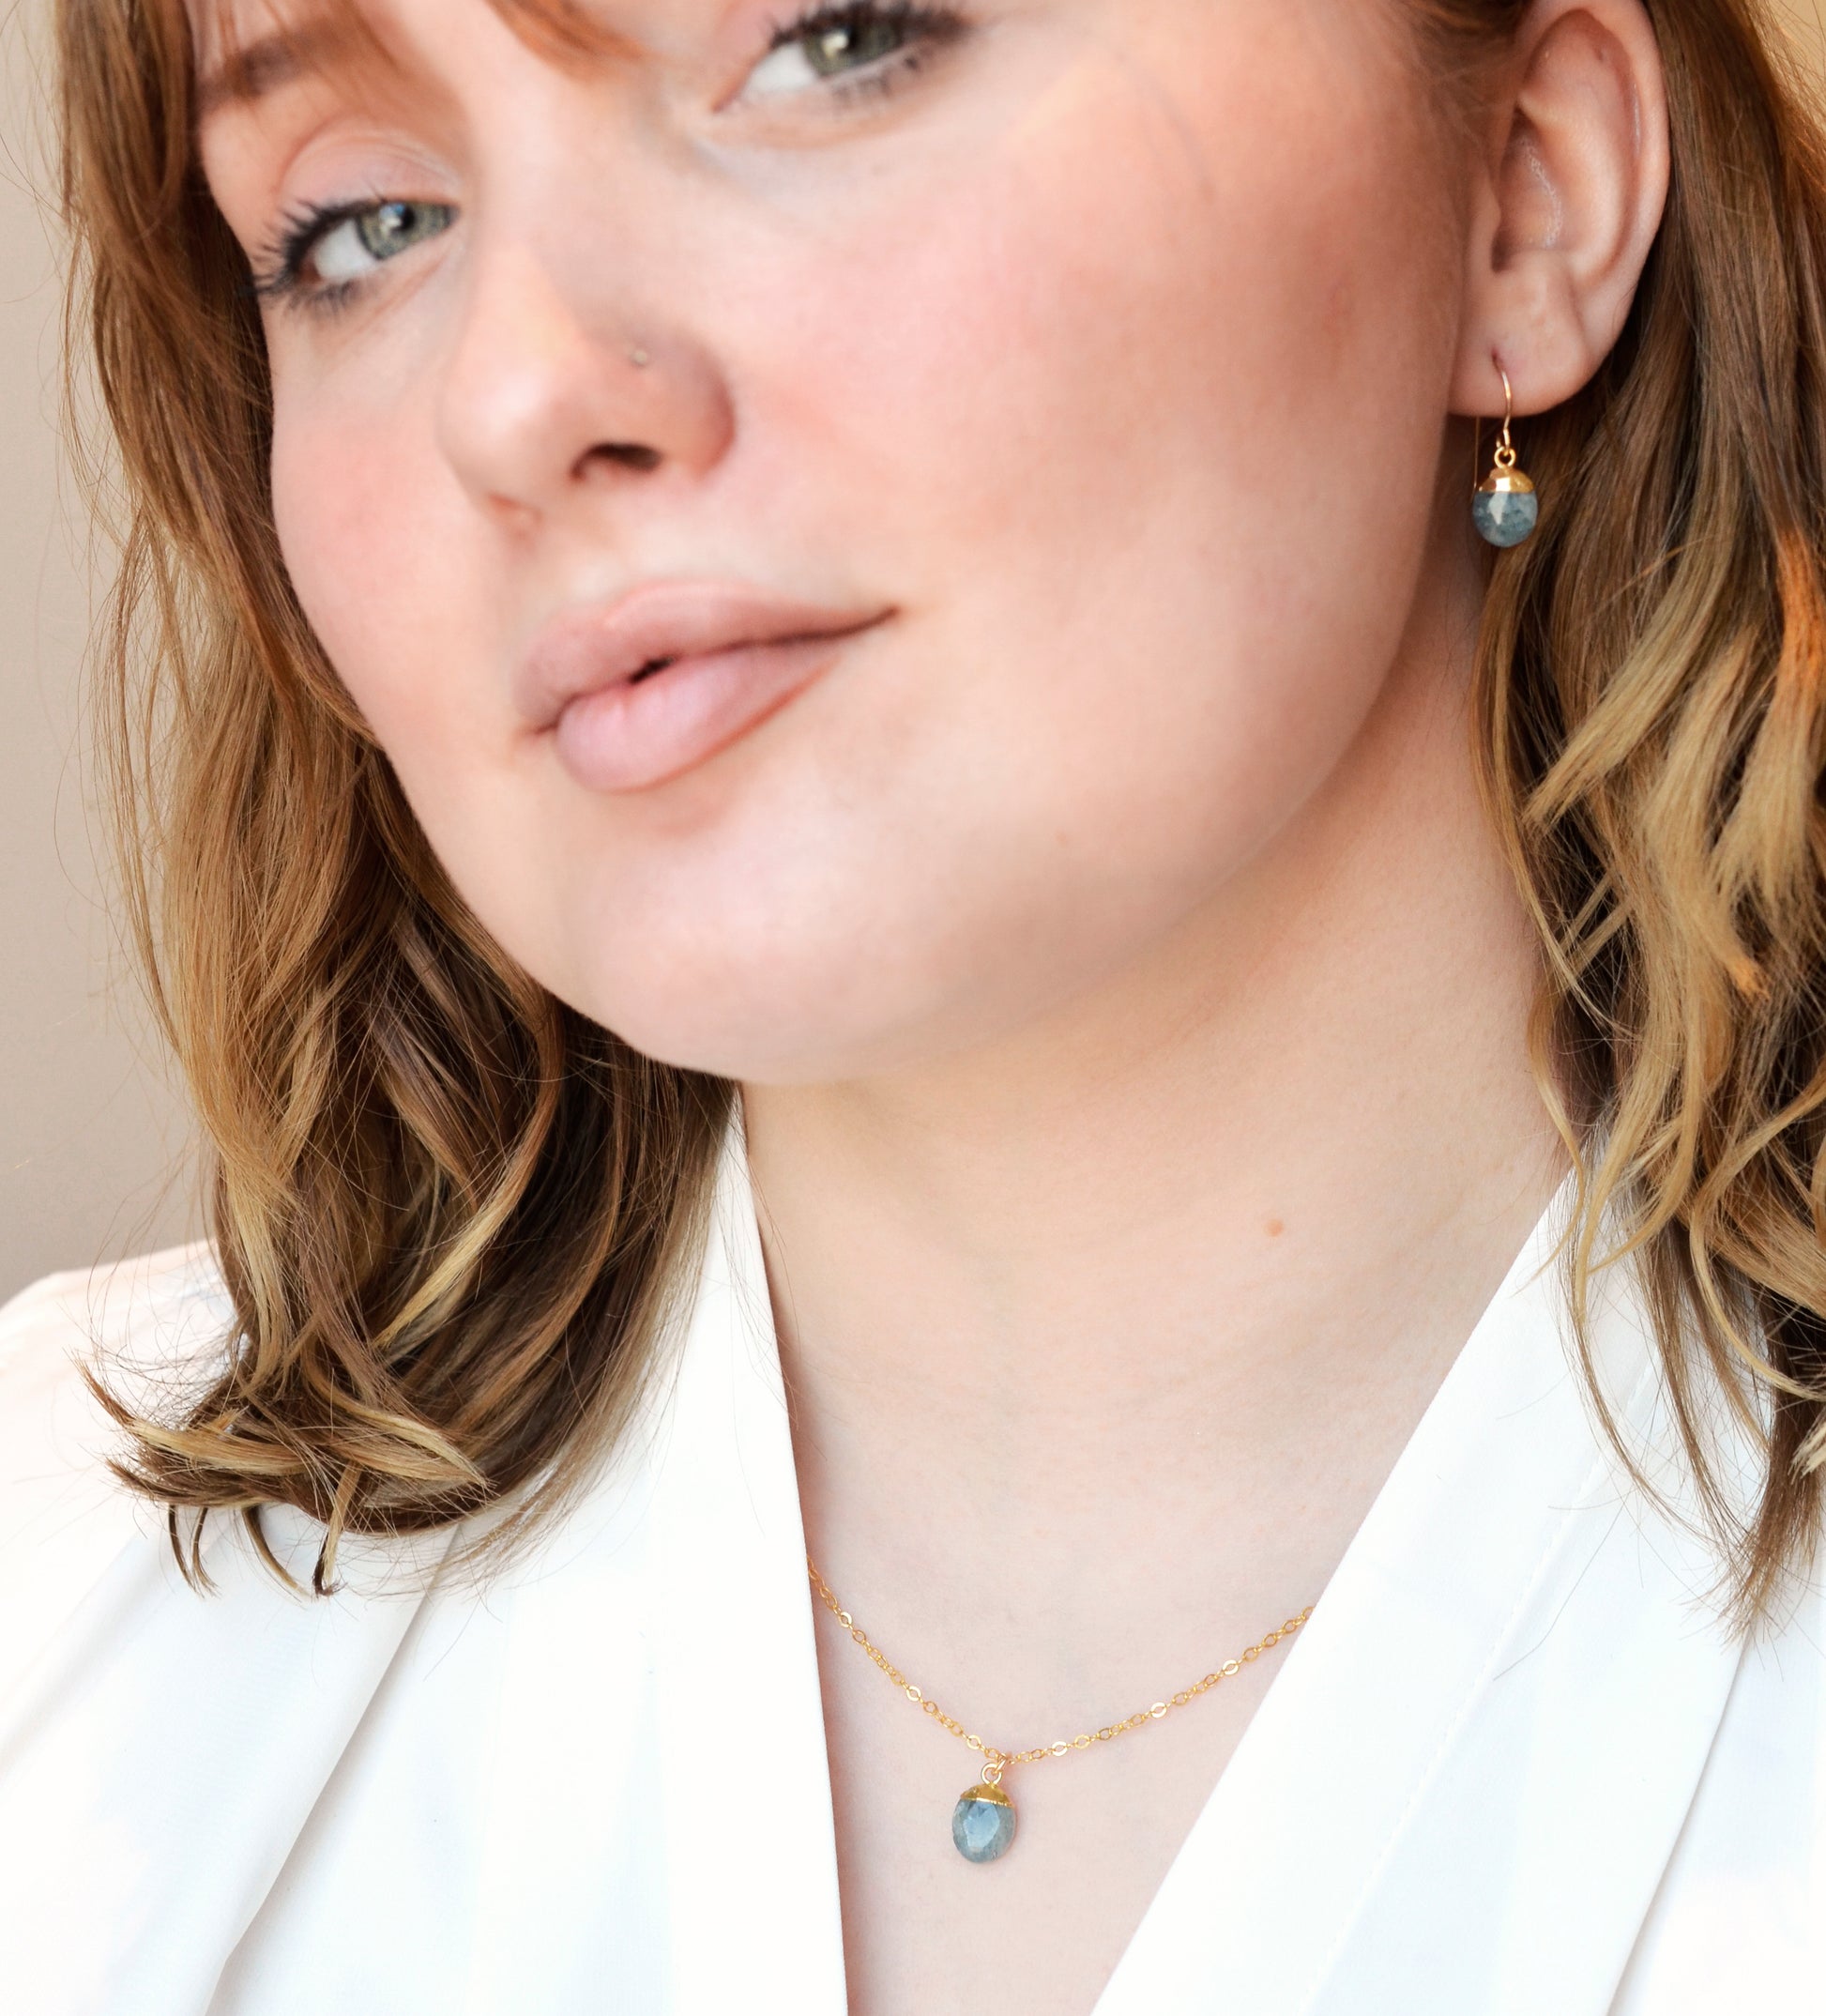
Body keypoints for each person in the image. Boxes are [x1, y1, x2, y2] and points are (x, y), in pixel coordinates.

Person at [4, 0, 1825, 2008]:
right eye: (363, 226)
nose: (515, 393)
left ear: (1525, 198)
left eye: (833, 39)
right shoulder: (54, 1615)